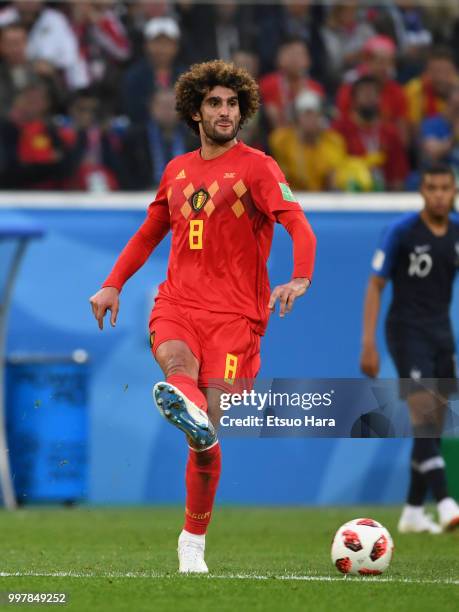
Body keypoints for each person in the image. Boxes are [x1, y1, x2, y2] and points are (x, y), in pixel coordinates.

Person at [89, 60, 316, 572]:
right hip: (178, 304)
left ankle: (193, 538)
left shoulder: (258, 168)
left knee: (208, 438)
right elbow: (150, 232)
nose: (225, 112)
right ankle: (183, 399)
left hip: (237, 319)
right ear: (195, 111)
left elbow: (299, 226)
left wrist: (300, 277)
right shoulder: (176, 171)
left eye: (232, 104)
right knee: (175, 363)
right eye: (214, 103)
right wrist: (112, 283)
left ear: (243, 111)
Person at [360, 163, 459, 533]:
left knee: (433, 423)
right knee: (421, 412)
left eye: (444, 188)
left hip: (441, 335)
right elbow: (375, 284)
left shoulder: (456, 232)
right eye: (431, 187)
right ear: (422, 191)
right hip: (405, 332)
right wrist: (368, 343)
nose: (437, 194)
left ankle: (414, 511)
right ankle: (446, 500)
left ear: (453, 191)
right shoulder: (402, 231)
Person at [333, 76, 409, 191]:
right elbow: (334, 171)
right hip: (348, 195)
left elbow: (398, 176)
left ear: (380, 99)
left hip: (384, 195)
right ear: (353, 100)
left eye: (373, 94)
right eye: (364, 94)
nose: (369, 98)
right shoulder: (340, 130)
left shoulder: (390, 132)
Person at [269, 89, 347, 191]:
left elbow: (333, 178)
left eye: (313, 114)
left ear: (320, 117)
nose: (310, 119)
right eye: (306, 114)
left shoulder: (333, 142)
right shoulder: (282, 140)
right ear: (297, 117)